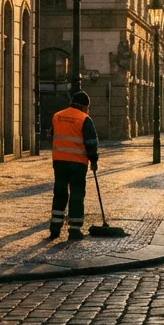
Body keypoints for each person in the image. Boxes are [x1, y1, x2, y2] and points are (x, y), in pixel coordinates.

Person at [50, 91, 100, 240]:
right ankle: (74, 229)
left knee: (59, 193)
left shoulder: (57, 116)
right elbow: (91, 142)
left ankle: (55, 227)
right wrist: (94, 161)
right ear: (85, 106)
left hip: (58, 161)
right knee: (77, 195)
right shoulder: (85, 119)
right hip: (78, 163)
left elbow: (52, 135)